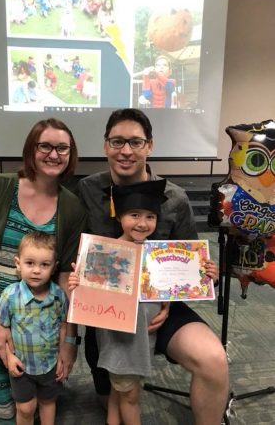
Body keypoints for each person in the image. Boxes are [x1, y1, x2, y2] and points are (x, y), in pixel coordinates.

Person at [76, 108, 229, 425]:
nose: (126, 151)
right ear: (105, 145)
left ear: (150, 146)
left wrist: (196, 277)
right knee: (113, 400)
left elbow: (190, 261)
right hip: (109, 317)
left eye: (135, 142)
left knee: (214, 360)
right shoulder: (88, 191)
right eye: (117, 142)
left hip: (161, 309)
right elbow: (75, 255)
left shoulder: (175, 197)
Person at [0, 118, 87, 424]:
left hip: (42, 326)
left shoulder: (72, 207)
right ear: (31, 149)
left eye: (62, 148)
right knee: (0, 406)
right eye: (45, 146)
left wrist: (69, 340)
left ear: (71, 154)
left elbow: (67, 278)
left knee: (38, 404)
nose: (54, 154)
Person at [0, 231, 70, 425]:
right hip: (22, 367)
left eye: (44, 265)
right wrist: (9, 357)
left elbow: (63, 325)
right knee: (25, 408)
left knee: (48, 402)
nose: (37, 270)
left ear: (54, 268)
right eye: (30, 263)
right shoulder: (9, 296)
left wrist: (63, 354)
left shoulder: (58, 296)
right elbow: (1, 331)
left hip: (50, 365)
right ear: (17, 263)